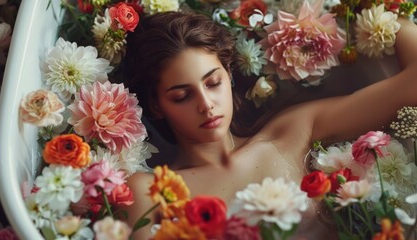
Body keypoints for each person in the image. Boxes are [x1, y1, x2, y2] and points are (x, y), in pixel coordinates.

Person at [123, 11, 417, 239]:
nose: (206, 104)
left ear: (229, 74)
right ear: (156, 106)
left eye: (213, 83)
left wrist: (375, 13)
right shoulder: (150, 189)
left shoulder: (289, 132)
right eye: (182, 96)